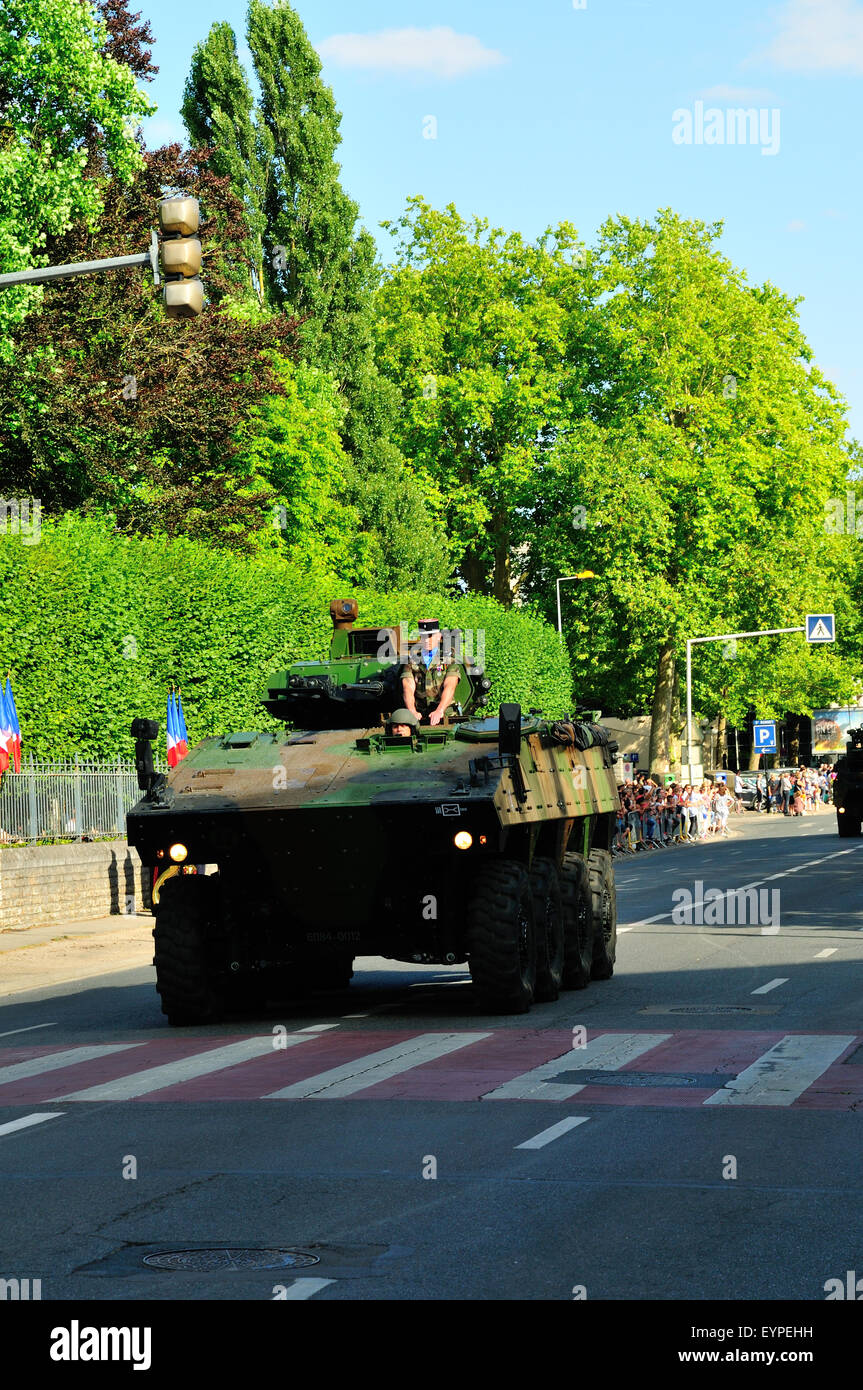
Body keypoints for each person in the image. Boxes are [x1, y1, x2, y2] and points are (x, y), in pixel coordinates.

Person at [400, 620, 463, 727]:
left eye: (431, 636)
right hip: (420, 714)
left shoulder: (449, 661)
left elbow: (450, 686)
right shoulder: (411, 661)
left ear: (438, 636)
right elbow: (408, 688)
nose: (427, 640)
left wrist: (440, 710)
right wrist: (412, 711)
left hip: (445, 712)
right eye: (424, 636)